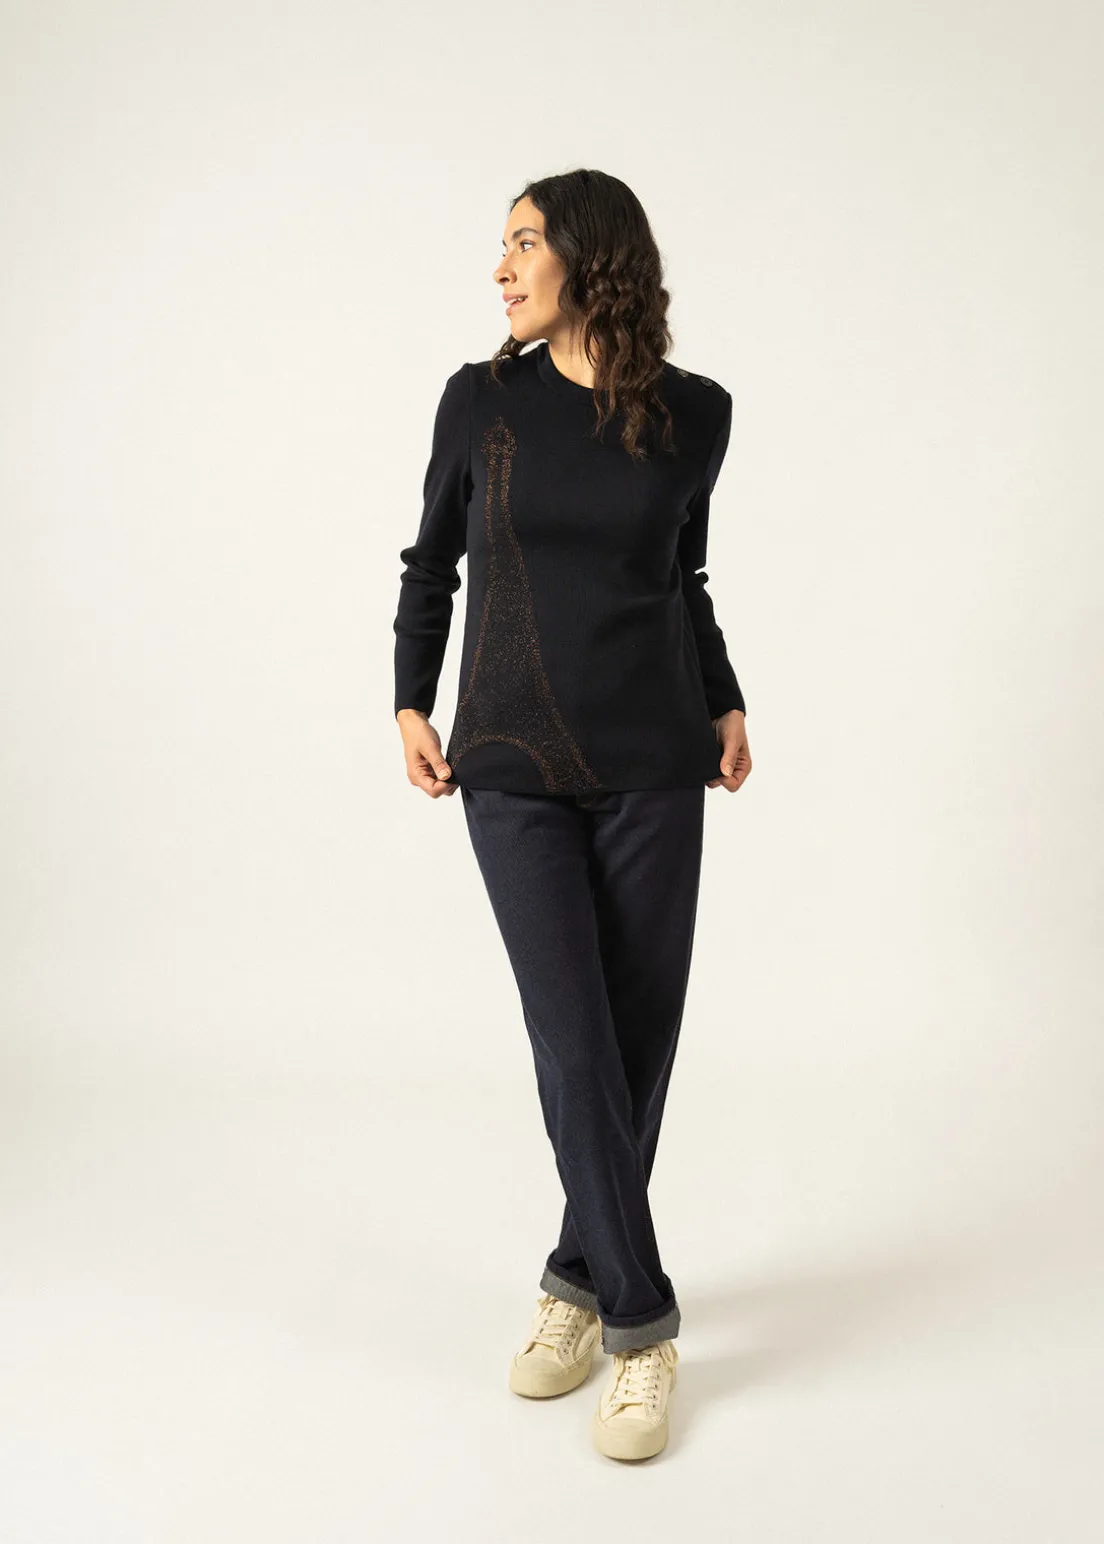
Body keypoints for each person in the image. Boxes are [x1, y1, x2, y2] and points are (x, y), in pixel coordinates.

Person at [392, 168, 752, 1461]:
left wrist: (724, 697)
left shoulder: (697, 415)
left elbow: (681, 577)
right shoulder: (479, 401)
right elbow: (432, 561)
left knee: (635, 1045)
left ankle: (572, 1276)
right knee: (574, 1040)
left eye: (524, 243)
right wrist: (409, 697)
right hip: (506, 760)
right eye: (501, 246)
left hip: (657, 761)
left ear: (590, 259)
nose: (500, 268)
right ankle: (643, 1327)